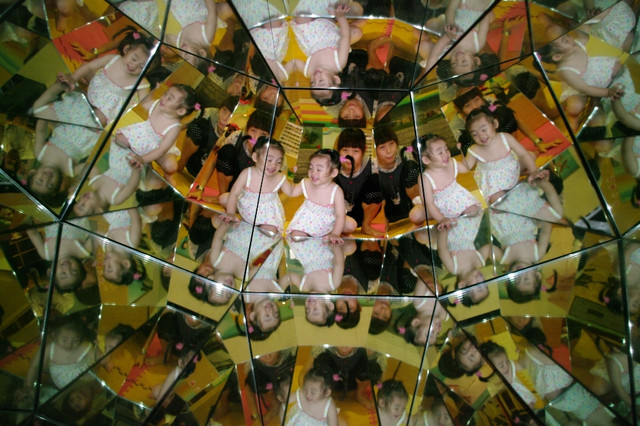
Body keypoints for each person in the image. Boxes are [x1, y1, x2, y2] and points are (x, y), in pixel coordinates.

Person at [463, 107, 563, 222]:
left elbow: (523, 154)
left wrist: (533, 171)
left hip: (510, 167)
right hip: (494, 182)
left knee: (529, 157)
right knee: (497, 202)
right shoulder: (474, 150)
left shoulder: (505, 137)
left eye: (484, 130)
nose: (481, 136)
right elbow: (465, 167)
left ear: (495, 124)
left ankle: (529, 163)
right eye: (475, 134)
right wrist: (452, 165)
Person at [118, 84, 198, 177]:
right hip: (143, 136)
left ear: (180, 111)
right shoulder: (157, 105)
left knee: (171, 166)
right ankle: (146, 161)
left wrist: (142, 159)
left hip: (160, 147)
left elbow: (161, 150)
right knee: (120, 139)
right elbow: (145, 102)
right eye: (165, 93)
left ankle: (166, 175)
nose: (164, 98)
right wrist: (153, 90)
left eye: (170, 98)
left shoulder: (174, 128)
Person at [289, 2, 359, 106]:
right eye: (321, 81)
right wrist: (341, 17)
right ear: (336, 79)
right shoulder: (339, 63)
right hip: (328, 30)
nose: (316, 77)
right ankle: (334, 15)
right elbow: (345, 36)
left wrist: (282, 74)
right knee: (354, 12)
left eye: (313, 83)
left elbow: (294, 63)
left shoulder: (309, 72)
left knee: (301, 16)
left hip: (310, 35)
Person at [412, 134, 481, 229]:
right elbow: (429, 203)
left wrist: (462, 151)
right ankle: (420, 226)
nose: (446, 154)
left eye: (446, 149)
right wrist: (441, 219)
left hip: (457, 198)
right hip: (436, 205)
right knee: (415, 215)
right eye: (440, 152)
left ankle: (462, 222)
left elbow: (466, 168)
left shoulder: (451, 163)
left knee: (474, 211)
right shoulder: (425, 178)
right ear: (426, 160)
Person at [225, 137, 287, 236]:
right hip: (247, 205)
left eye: (279, 162)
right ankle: (244, 217)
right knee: (224, 198)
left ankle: (259, 233)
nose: (274, 165)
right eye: (269, 160)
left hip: (266, 214)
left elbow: (291, 191)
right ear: (255, 157)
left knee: (271, 231)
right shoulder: (247, 173)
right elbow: (234, 193)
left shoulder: (278, 177)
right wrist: (231, 213)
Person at [287, 149, 346, 243]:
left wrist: (335, 233)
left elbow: (340, 215)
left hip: (327, 223)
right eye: (311, 168)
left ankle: (330, 233)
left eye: (319, 169)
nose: (313, 173)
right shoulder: (306, 182)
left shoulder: (336, 191)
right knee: (296, 236)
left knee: (350, 225)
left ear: (333, 173)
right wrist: (289, 175)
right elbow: (291, 192)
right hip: (307, 221)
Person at [22, 317, 95, 391]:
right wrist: (28, 386)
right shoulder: (50, 348)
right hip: (63, 389)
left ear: (80, 338)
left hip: (85, 386)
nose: (69, 344)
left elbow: (97, 366)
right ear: (55, 336)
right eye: (64, 340)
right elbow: (34, 366)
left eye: (75, 340)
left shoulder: (86, 346)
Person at [335, 128, 383, 237]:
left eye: (355, 151)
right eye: (345, 150)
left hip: (360, 212)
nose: (349, 156)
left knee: (377, 180)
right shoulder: (332, 165)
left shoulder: (372, 164)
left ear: (363, 151)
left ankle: (366, 225)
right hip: (336, 214)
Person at [372, 126, 421, 225]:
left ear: (396, 144)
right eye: (382, 147)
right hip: (388, 211)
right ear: (375, 150)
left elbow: (416, 148)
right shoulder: (371, 165)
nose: (389, 151)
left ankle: (419, 211)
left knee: (411, 167)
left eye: (391, 144)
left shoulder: (405, 152)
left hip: (409, 205)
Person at [26, 223, 92, 293]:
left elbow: (33, 234)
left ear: (51, 272)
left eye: (63, 274)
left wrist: (27, 224)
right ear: (80, 267)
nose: (67, 268)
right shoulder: (82, 252)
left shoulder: (45, 254)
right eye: (74, 271)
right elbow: (97, 234)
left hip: (52, 219)